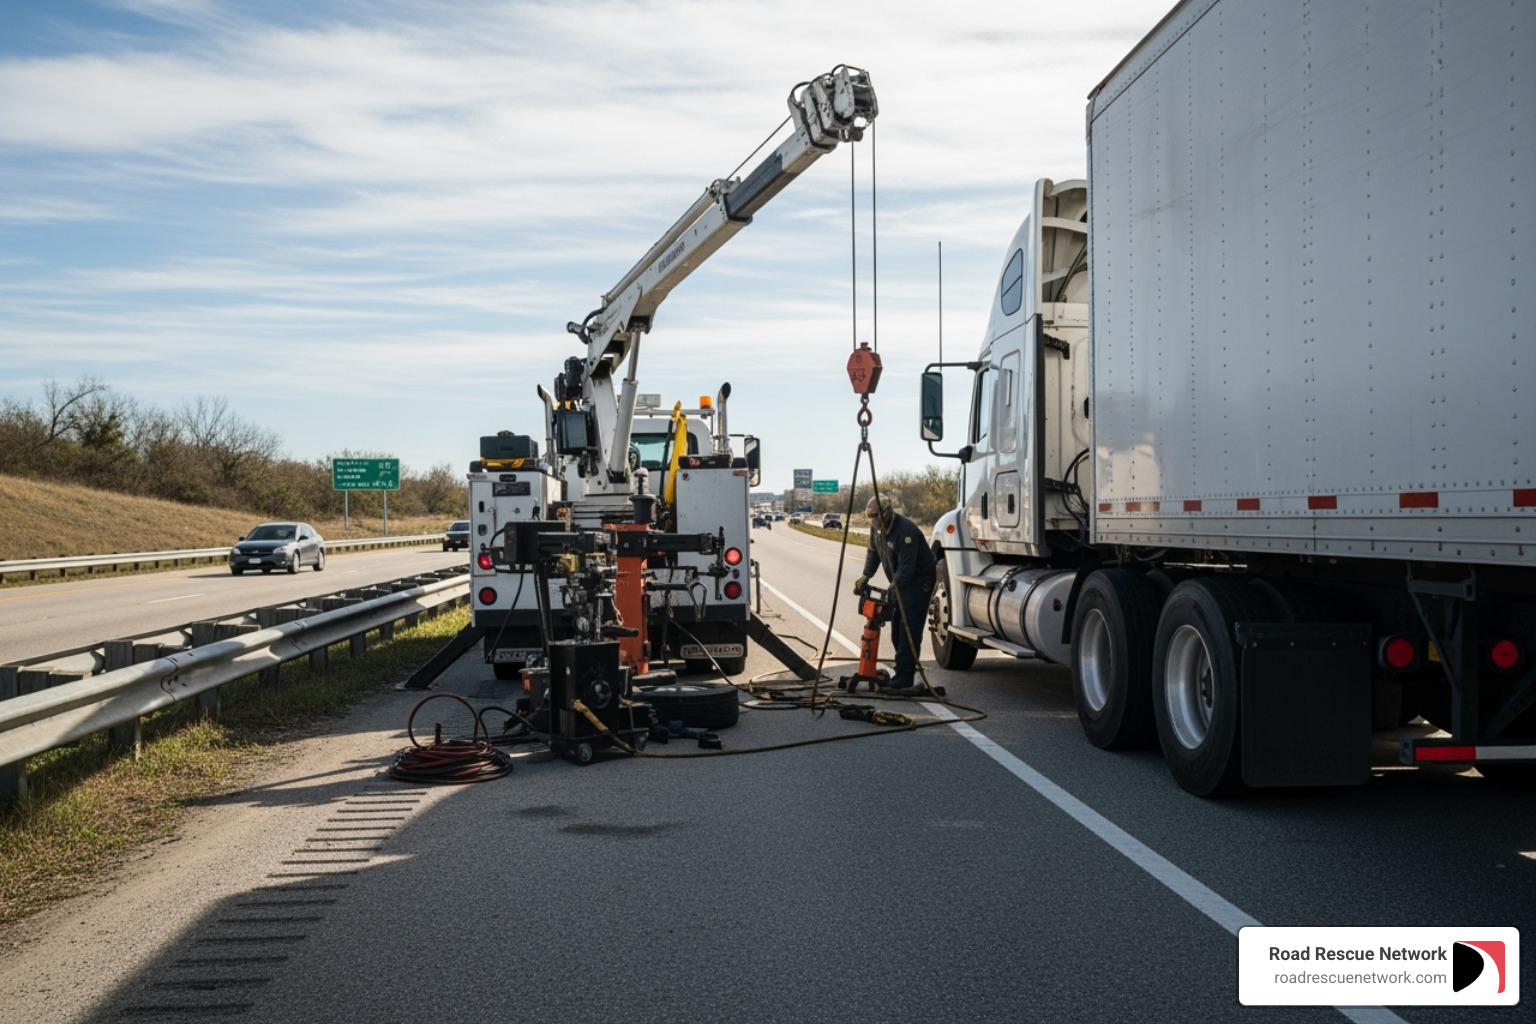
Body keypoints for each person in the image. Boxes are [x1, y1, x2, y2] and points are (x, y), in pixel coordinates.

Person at [853, 495, 937, 694]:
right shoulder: (876, 527)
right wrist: (866, 575)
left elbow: (907, 567)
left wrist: (894, 586)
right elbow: (873, 552)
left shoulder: (906, 531)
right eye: (871, 517)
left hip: (919, 581)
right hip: (901, 581)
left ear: (887, 513)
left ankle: (905, 677)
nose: (874, 521)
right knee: (897, 628)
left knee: (908, 628)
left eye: (877, 516)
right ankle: (902, 670)